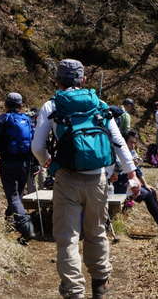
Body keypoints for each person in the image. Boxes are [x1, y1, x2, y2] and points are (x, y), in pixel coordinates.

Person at [32, 59, 140, 299]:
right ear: (83, 79)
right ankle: (100, 286)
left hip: (67, 179)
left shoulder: (52, 106)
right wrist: (132, 174)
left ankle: (74, 293)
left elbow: (37, 146)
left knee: (67, 238)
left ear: (57, 80)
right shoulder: (98, 104)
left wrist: (48, 163)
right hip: (98, 180)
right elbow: (118, 142)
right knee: (96, 231)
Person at [0, 92, 36, 240]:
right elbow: (33, 142)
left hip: (8, 162)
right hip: (25, 163)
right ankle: (9, 221)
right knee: (17, 195)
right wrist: (35, 164)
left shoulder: (1, 120)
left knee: (13, 196)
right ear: (21, 105)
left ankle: (28, 229)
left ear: (6, 104)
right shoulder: (27, 120)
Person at [112, 130, 158, 229]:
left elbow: (138, 171)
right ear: (124, 141)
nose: (133, 145)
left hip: (129, 182)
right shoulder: (118, 152)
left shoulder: (132, 151)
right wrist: (130, 165)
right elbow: (117, 171)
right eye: (131, 142)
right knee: (148, 195)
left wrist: (145, 184)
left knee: (151, 191)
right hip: (119, 184)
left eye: (134, 143)